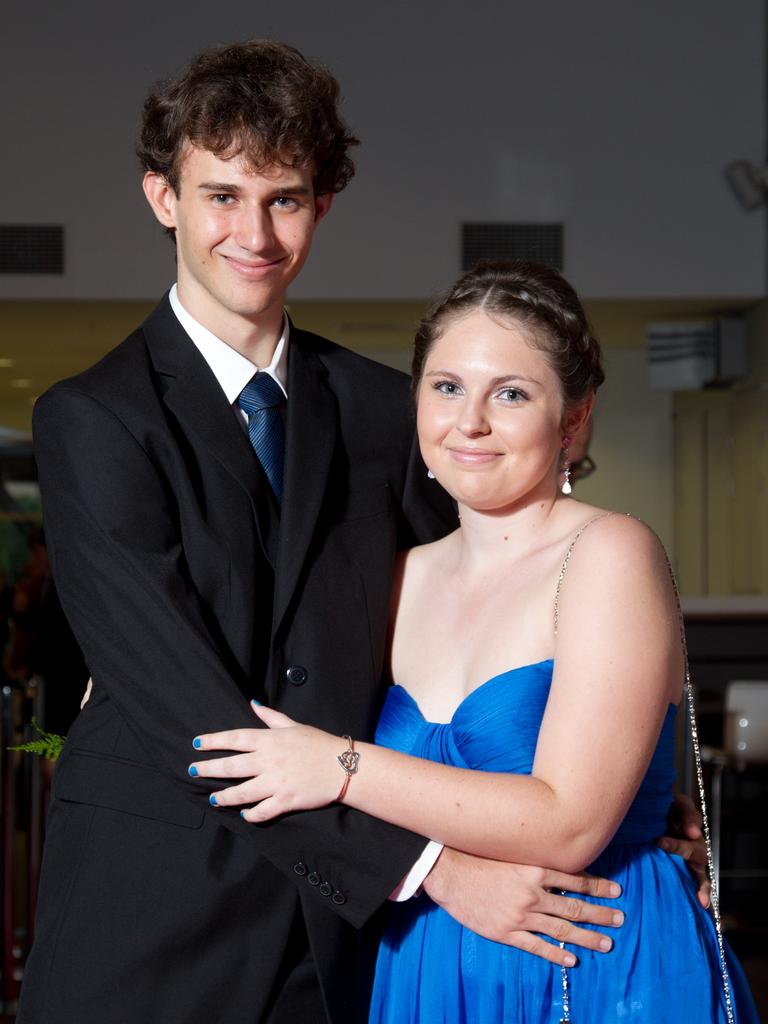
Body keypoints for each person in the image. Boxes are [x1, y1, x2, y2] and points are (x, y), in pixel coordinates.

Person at [19, 43, 650, 1024]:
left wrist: (632, 787)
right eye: (221, 195)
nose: (253, 233)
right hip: (160, 910)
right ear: (162, 198)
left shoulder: (387, 410)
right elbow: (195, 711)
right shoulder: (93, 419)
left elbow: (493, 602)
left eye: (286, 198)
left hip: (344, 938)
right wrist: (430, 867)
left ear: (321, 206)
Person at [191, 261, 759, 1022]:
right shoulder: (390, 576)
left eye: (512, 394)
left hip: (590, 959)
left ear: (575, 418)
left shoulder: (609, 553)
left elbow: (569, 822)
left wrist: (339, 766)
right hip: (422, 953)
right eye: (447, 386)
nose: (471, 422)